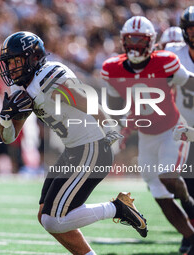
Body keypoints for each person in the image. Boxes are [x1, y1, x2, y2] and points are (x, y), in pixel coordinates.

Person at [0, 31, 147, 255]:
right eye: (9, 62)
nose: (12, 68)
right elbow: (8, 137)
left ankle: (117, 208)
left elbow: (83, 98)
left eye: (16, 61)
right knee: (45, 216)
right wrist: (5, 118)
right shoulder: (21, 87)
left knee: (54, 220)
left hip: (93, 146)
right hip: (74, 149)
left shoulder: (48, 75)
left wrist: (107, 126)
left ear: (33, 58)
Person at [101, 16, 194, 254]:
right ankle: (190, 237)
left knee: (168, 177)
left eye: (139, 40)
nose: (134, 45)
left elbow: (188, 83)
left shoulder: (166, 61)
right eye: (129, 40)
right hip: (146, 136)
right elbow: (114, 104)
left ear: (150, 42)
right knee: (160, 194)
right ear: (122, 41)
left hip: (172, 129)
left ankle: (189, 204)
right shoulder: (112, 68)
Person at [165, 6, 194, 253]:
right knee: (181, 184)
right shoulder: (174, 53)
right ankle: (191, 231)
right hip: (183, 130)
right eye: (191, 30)